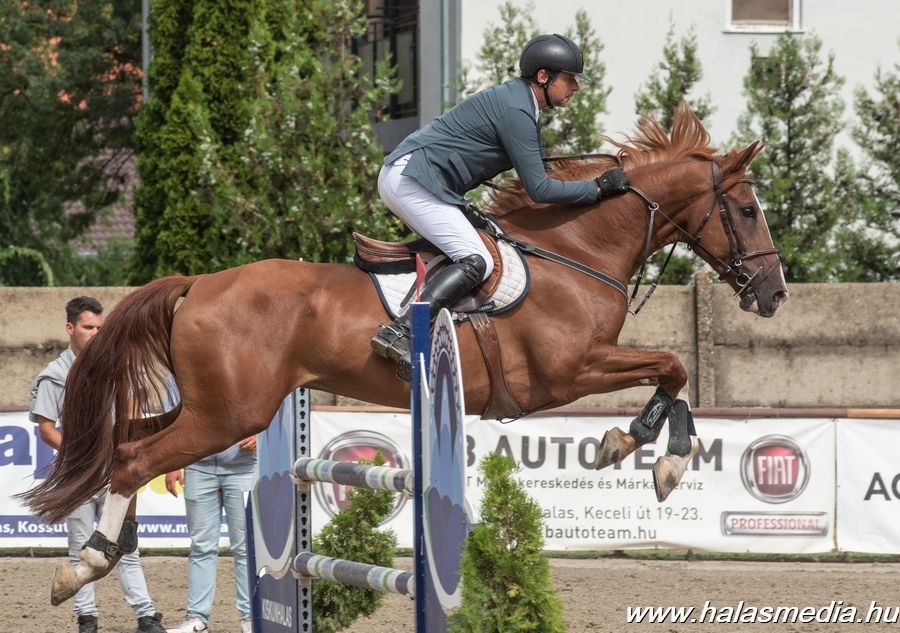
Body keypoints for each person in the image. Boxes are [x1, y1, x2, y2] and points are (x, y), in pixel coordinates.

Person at [370, 33, 632, 378]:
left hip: (418, 178)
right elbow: (540, 189)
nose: (575, 88)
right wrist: (597, 188)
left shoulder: (518, 102)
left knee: (483, 242)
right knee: (476, 259)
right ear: (544, 76)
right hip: (412, 180)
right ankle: (402, 331)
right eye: (570, 79)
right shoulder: (517, 111)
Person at [29, 296, 166, 633]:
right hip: (78, 473)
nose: (95, 333)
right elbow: (46, 429)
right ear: (70, 328)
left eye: (99, 328)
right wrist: (85, 452)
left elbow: (134, 405)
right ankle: (87, 619)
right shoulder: (53, 376)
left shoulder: (114, 367)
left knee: (124, 545)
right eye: (88, 327)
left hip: (114, 473)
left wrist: (125, 444)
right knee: (81, 547)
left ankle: (146, 616)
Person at [164, 435, 258, 633]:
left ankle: (251, 617)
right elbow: (176, 419)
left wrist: (262, 436)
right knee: (201, 546)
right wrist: (173, 463)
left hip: (244, 469)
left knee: (246, 548)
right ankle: (196, 617)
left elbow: (279, 416)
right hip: (198, 467)